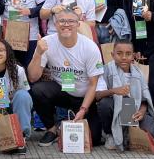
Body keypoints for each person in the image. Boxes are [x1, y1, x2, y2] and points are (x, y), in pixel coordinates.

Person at [28, 10, 105, 147]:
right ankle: (52, 130)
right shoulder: (46, 43)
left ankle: (80, 120)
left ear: (78, 24)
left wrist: (83, 109)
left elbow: (93, 84)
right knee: (37, 90)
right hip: (63, 90)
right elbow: (33, 77)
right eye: (62, 21)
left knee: (93, 138)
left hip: (84, 95)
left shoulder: (90, 47)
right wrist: (38, 53)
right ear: (55, 24)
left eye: (71, 21)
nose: (66, 24)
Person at [97, 39, 154, 149]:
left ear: (133, 56)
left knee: (150, 131)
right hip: (115, 108)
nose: (124, 57)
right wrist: (113, 91)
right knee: (104, 104)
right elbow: (97, 95)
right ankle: (109, 134)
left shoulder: (138, 73)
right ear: (112, 55)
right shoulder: (106, 70)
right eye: (119, 54)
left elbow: (144, 100)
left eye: (128, 54)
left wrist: (142, 111)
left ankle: (128, 135)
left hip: (133, 111)